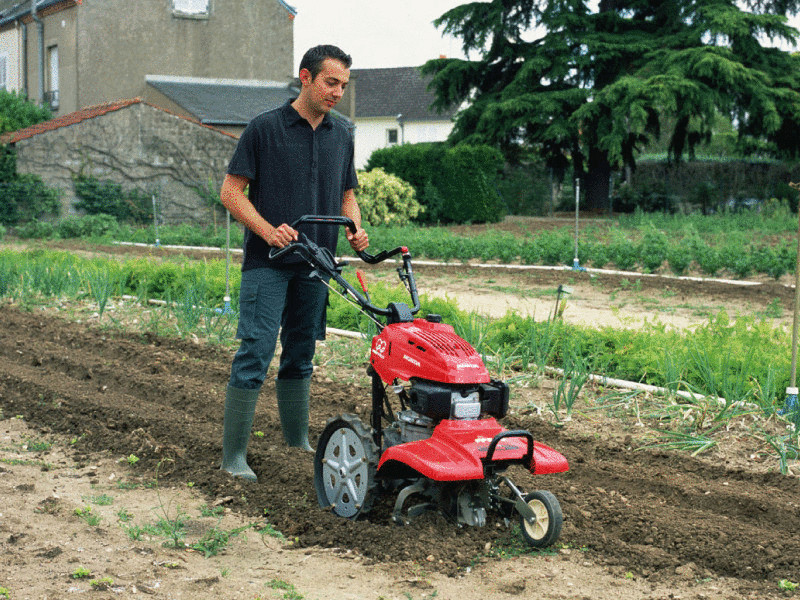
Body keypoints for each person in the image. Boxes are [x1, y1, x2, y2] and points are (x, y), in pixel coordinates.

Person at [219, 45, 368, 481]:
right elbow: (231, 192)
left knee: (301, 353)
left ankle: (296, 442)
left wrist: (355, 227)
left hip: (317, 264)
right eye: (330, 82)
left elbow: (347, 196)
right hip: (268, 261)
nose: (338, 92)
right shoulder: (265, 128)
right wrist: (268, 231)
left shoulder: (342, 133)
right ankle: (233, 459)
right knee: (256, 351)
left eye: (343, 84)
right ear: (305, 77)